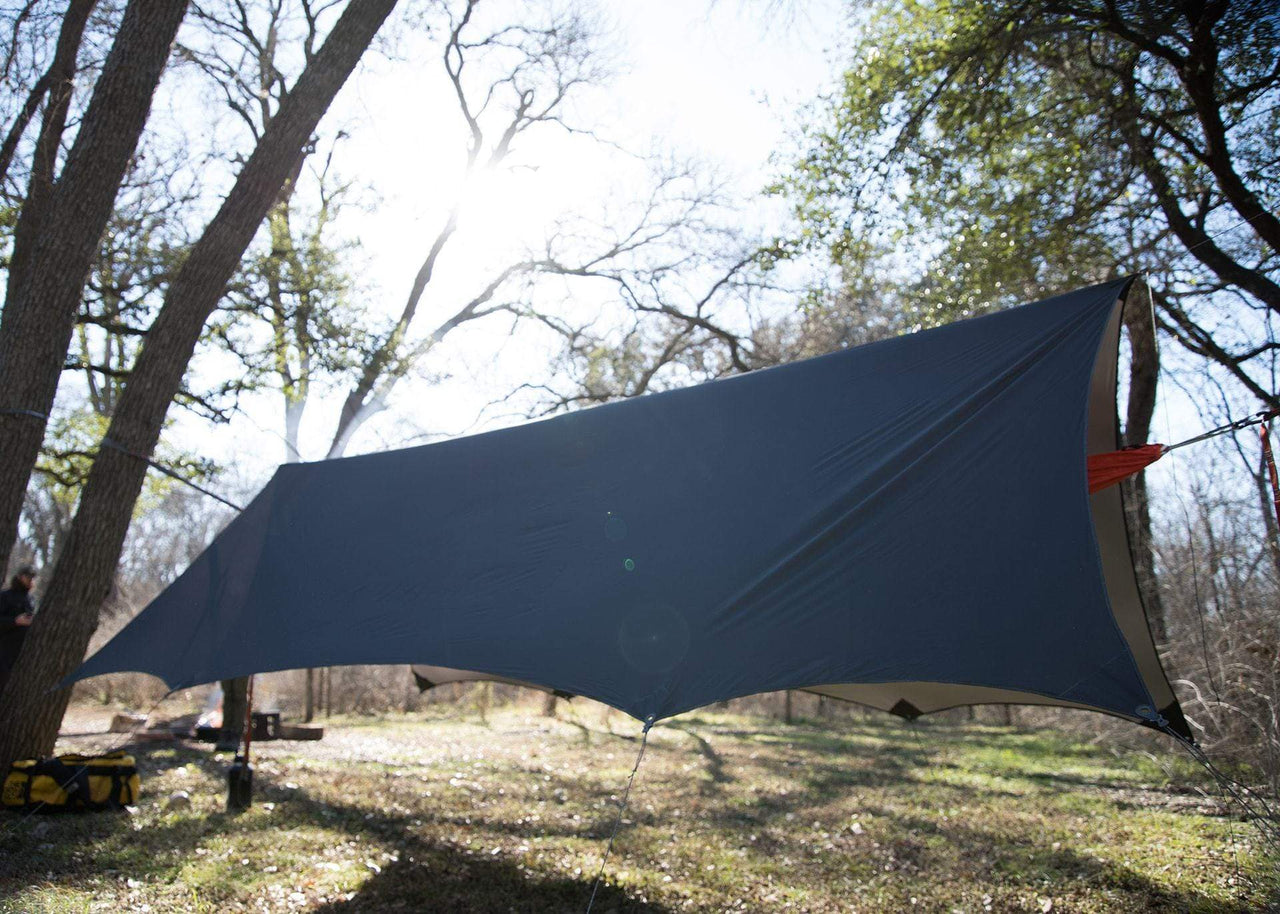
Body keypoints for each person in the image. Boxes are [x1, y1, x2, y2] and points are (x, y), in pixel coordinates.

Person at [0, 565, 37, 698]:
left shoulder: (30, 599)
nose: (32, 581)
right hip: (5, 652)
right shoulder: (5, 596)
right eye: (29, 578)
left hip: (23, 651)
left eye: (33, 578)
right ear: (20, 577)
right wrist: (15, 621)